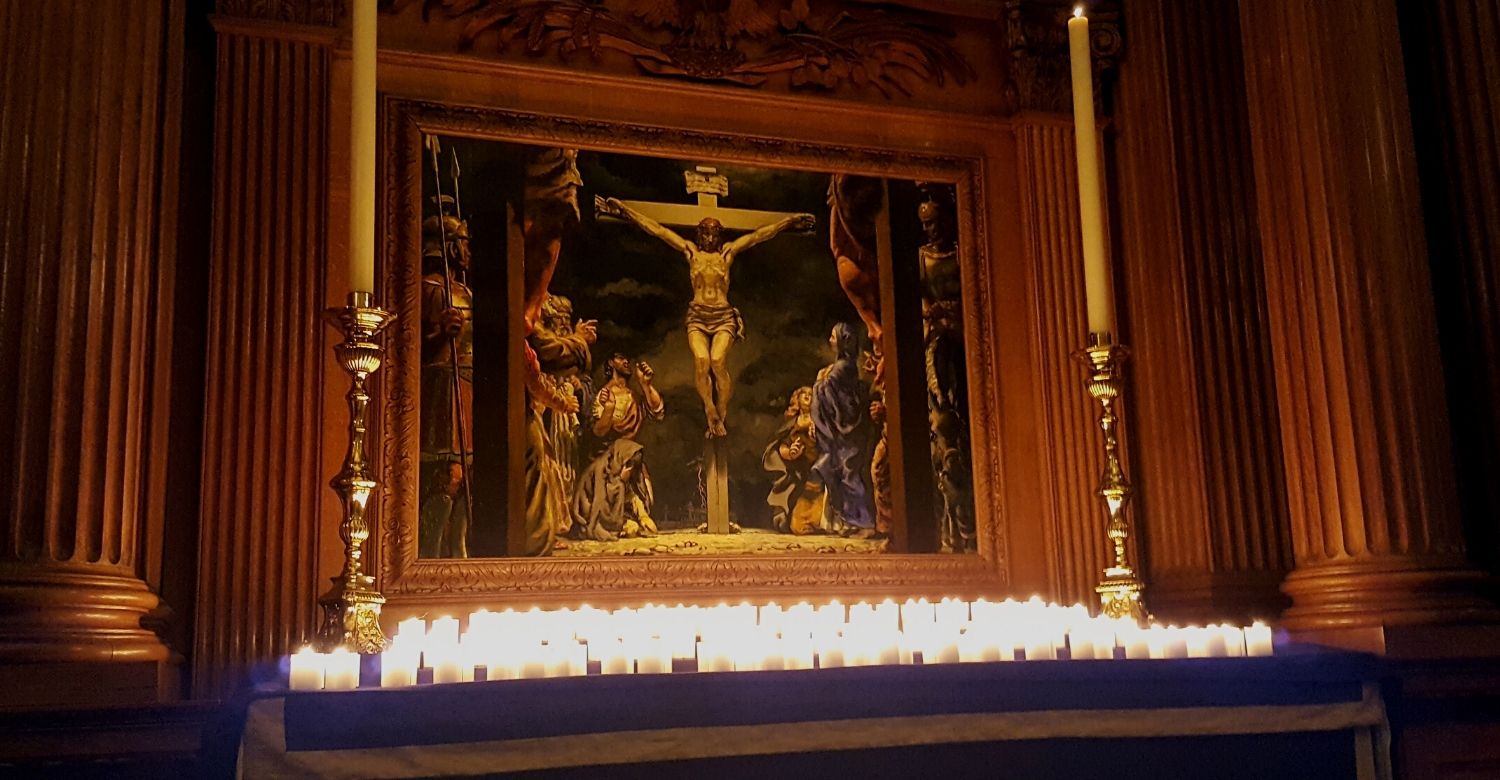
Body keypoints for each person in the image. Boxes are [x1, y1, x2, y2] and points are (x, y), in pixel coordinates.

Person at [596, 194, 814, 438]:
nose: (709, 238)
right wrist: (625, 211)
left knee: (718, 361)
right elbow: (657, 230)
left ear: (719, 235)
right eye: (705, 233)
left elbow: (759, 235)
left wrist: (789, 221)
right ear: (699, 234)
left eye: (714, 233)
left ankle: (722, 409)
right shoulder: (691, 252)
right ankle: (710, 408)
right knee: (701, 360)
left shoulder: (727, 254)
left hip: (722, 316)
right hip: (698, 316)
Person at [418, 213, 474, 558]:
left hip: (467, 381)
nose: (468, 250)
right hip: (443, 382)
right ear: (448, 246)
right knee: (448, 474)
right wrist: (441, 332)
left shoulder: (464, 291)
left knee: (467, 476)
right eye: (464, 242)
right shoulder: (428, 288)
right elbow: (409, 345)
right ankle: (430, 552)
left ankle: (459, 550)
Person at [811, 323, 875, 537]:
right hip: (843, 431)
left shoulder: (842, 367)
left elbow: (830, 394)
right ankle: (849, 520)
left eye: (832, 336)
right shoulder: (842, 366)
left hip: (847, 430)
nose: (829, 340)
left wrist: (819, 383)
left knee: (849, 475)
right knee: (843, 473)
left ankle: (862, 522)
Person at [763, 386, 824, 535]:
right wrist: (790, 453)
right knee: (789, 486)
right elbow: (782, 444)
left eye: (812, 394)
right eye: (805, 394)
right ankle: (783, 515)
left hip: (816, 466)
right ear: (797, 398)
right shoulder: (792, 423)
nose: (808, 397)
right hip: (797, 466)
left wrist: (818, 437)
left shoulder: (819, 421)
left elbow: (827, 442)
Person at [572, 439, 658, 542]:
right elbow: (600, 502)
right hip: (591, 510)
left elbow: (630, 495)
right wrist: (620, 481)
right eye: (629, 464)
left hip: (610, 513)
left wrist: (643, 516)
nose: (630, 469)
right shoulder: (601, 468)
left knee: (635, 527)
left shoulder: (619, 471)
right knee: (630, 529)